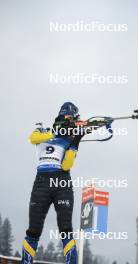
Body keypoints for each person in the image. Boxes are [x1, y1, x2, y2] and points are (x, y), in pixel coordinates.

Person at [21, 102, 84, 264]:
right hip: (41, 182)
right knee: (33, 229)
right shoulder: (42, 129)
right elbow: (33, 139)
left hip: (62, 182)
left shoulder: (69, 137)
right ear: (62, 114)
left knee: (65, 229)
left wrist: (75, 143)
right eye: (69, 116)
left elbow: (66, 166)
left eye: (73, 117)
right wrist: (56, 131)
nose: (70, 119)